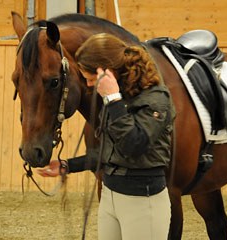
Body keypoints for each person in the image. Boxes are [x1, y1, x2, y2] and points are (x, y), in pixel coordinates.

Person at [38, 33, 175, 240]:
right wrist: (68, 165)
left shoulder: (155, 99)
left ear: (108, 72)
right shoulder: (117, 100)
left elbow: (133, 146)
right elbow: (109, 153)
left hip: (142, 200)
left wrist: (113, 98)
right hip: (111, 196)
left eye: (91, 79)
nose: (90, 85)